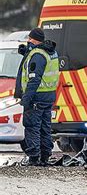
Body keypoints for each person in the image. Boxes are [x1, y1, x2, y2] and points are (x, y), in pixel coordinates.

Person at [14, 28, 59, 166]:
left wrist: (26, 98)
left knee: (32, 126)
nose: (28, 41)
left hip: (36, 97)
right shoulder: (50, 51)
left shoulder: (37, 55)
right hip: (48, 96)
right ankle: (45, 156)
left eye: (30, 38)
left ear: (34, 39)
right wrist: (26, 53)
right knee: (45, 127)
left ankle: (34, 157)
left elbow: (34, 78)